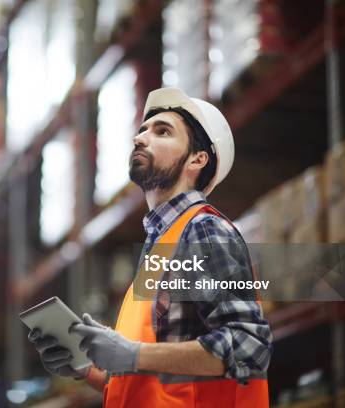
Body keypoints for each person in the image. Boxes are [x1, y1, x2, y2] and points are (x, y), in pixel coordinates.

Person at [27, 87, 272, 407]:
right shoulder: (160, 249)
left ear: (198, 159)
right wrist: (88, 369)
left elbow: (247, 346)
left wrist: (133, 352)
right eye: (142, 130)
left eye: (162, 131)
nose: (140, 138)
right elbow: (152, 383)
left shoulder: (204, 231)